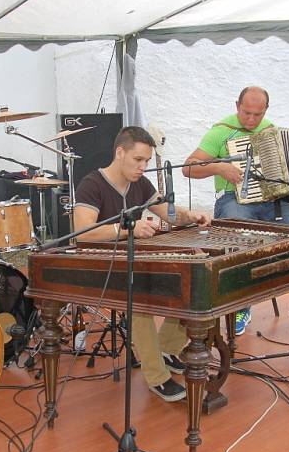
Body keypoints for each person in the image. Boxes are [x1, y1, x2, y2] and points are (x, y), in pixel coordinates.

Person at [182, 86, 289, 335]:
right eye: (246, 113)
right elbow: (188, 168)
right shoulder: (220, 132)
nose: (251, 119)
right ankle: (240, 308)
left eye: (257, 114)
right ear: (237, 106)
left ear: (266, 111)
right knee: (239, 238)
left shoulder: (272, 132)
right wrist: (219, 168)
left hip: (274, 201)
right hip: (234, 198)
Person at [73, 126, 212, 402]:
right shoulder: (92, 184)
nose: (143, 167)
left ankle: (167, 348)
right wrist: (128, 229)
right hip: (100, 264)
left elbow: (169, 214)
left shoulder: (141, 184)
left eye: (147, 161)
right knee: (138, 301)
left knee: (189, 281)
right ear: (119, 152)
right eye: (138, 160)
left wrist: (190, 215)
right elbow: (82, 231)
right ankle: (157, 377)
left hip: (135, 259)